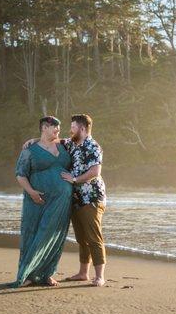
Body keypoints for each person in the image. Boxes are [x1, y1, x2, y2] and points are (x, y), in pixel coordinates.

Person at [24, 114, 107, 287]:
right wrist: (34, 139)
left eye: (73, 127)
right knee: (81, 238)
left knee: (94, 237)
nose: (71, 130)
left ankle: (99, 276)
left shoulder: (93, 146)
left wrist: (75, 179)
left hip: (90, 198)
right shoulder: (72, 143)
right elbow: (55, 140)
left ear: (83, 129)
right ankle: (83, 273)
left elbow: (95, 172)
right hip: (75, 199)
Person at [11, 116, 73, 288]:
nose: (58, 131)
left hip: (61, 200)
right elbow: (20, 174)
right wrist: (31, 192)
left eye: (59, 129)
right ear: (45, 127)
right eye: (55, 128)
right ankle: (28, 275)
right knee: (34, 233)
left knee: (54, 236)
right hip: (37, 200)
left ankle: (47, 274)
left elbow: (80, 140)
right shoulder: (30, 150)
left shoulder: (64, 145)